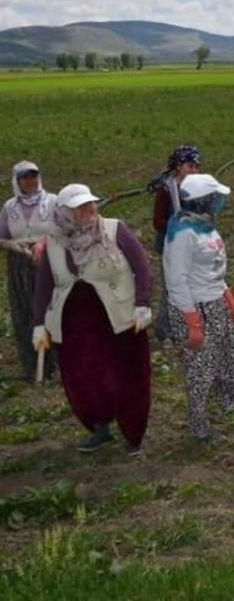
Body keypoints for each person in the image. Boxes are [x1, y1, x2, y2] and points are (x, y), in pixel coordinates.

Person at [32, 184, 153, 454]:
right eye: (79, 207)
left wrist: (142, 303)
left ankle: (133, 433)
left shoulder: (113, 229)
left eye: (89, 204)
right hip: (75, 325)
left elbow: (141, 266)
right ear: (64, 212)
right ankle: (99, 426)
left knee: (127, 375)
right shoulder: (53, 242)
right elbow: (44, 285)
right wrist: (39, 324)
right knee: (85, 377)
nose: (88, 210)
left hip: (117, 319)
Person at [164, 174, 234, 441]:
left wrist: (230, 301)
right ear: (202, 200)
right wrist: (193, 325)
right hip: (196, 308)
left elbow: (215, 271)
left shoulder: (206, 227)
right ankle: (200, 426)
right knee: (201, 370)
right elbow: (176, 282)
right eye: (214, 198)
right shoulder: (183, 235)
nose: (218, 203)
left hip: (216, 304)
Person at [1, 161, 58, 382]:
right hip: (20, 263)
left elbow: (64, 230)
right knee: (25, 309)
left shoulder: (52, 202)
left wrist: (44, 244)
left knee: (50, 305)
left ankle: (55, 362)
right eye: (25, 178)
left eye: (33, 176)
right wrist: (13, 245)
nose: (30, 181)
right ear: (17, 181)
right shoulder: (9, 207)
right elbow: (2, 236)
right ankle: (33, 364)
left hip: (49, 258)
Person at [149, 145, 201, 341]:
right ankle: (164, 329)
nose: (194, 171)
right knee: (172, 287)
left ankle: (187, 322)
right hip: (169, 245)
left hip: (190, 244)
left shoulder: (195, 188)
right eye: (190, 166)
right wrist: (178, 225)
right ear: (178, 166)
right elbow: (158, 221)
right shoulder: (166, 190)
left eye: (197, 167)